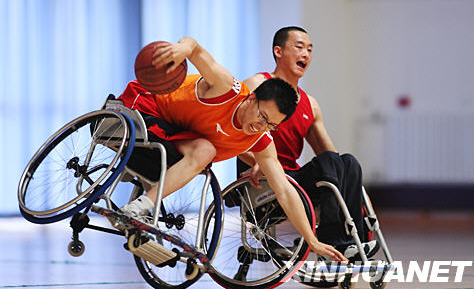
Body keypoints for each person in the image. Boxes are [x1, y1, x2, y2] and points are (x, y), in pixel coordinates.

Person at [118, 36, 347, 262]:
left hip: (174, 137)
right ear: (251, 98)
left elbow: (285, 191)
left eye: (271, 125)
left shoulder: (260, 140)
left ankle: (137, 202)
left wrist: (311, 239)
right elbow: (195, 48)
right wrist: (181, 49)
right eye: (262, 116)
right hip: (147, 107)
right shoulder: (226, 88)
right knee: (206, 150)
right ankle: (140, 208)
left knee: (204, 151)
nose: (261, 126)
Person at [237, 27, 379, 263]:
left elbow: (332, 157)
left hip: (294, 182)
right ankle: (333, 238)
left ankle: (354, 239)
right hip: (261, 184)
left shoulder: (309, 104)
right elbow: (230, 130)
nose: (306, 54)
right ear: (278, 51)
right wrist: (255, 161)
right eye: (299, 46)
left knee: (348, 162)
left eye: (310, 49)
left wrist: (361, 196)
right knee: (334, 161)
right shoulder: (258, 84)